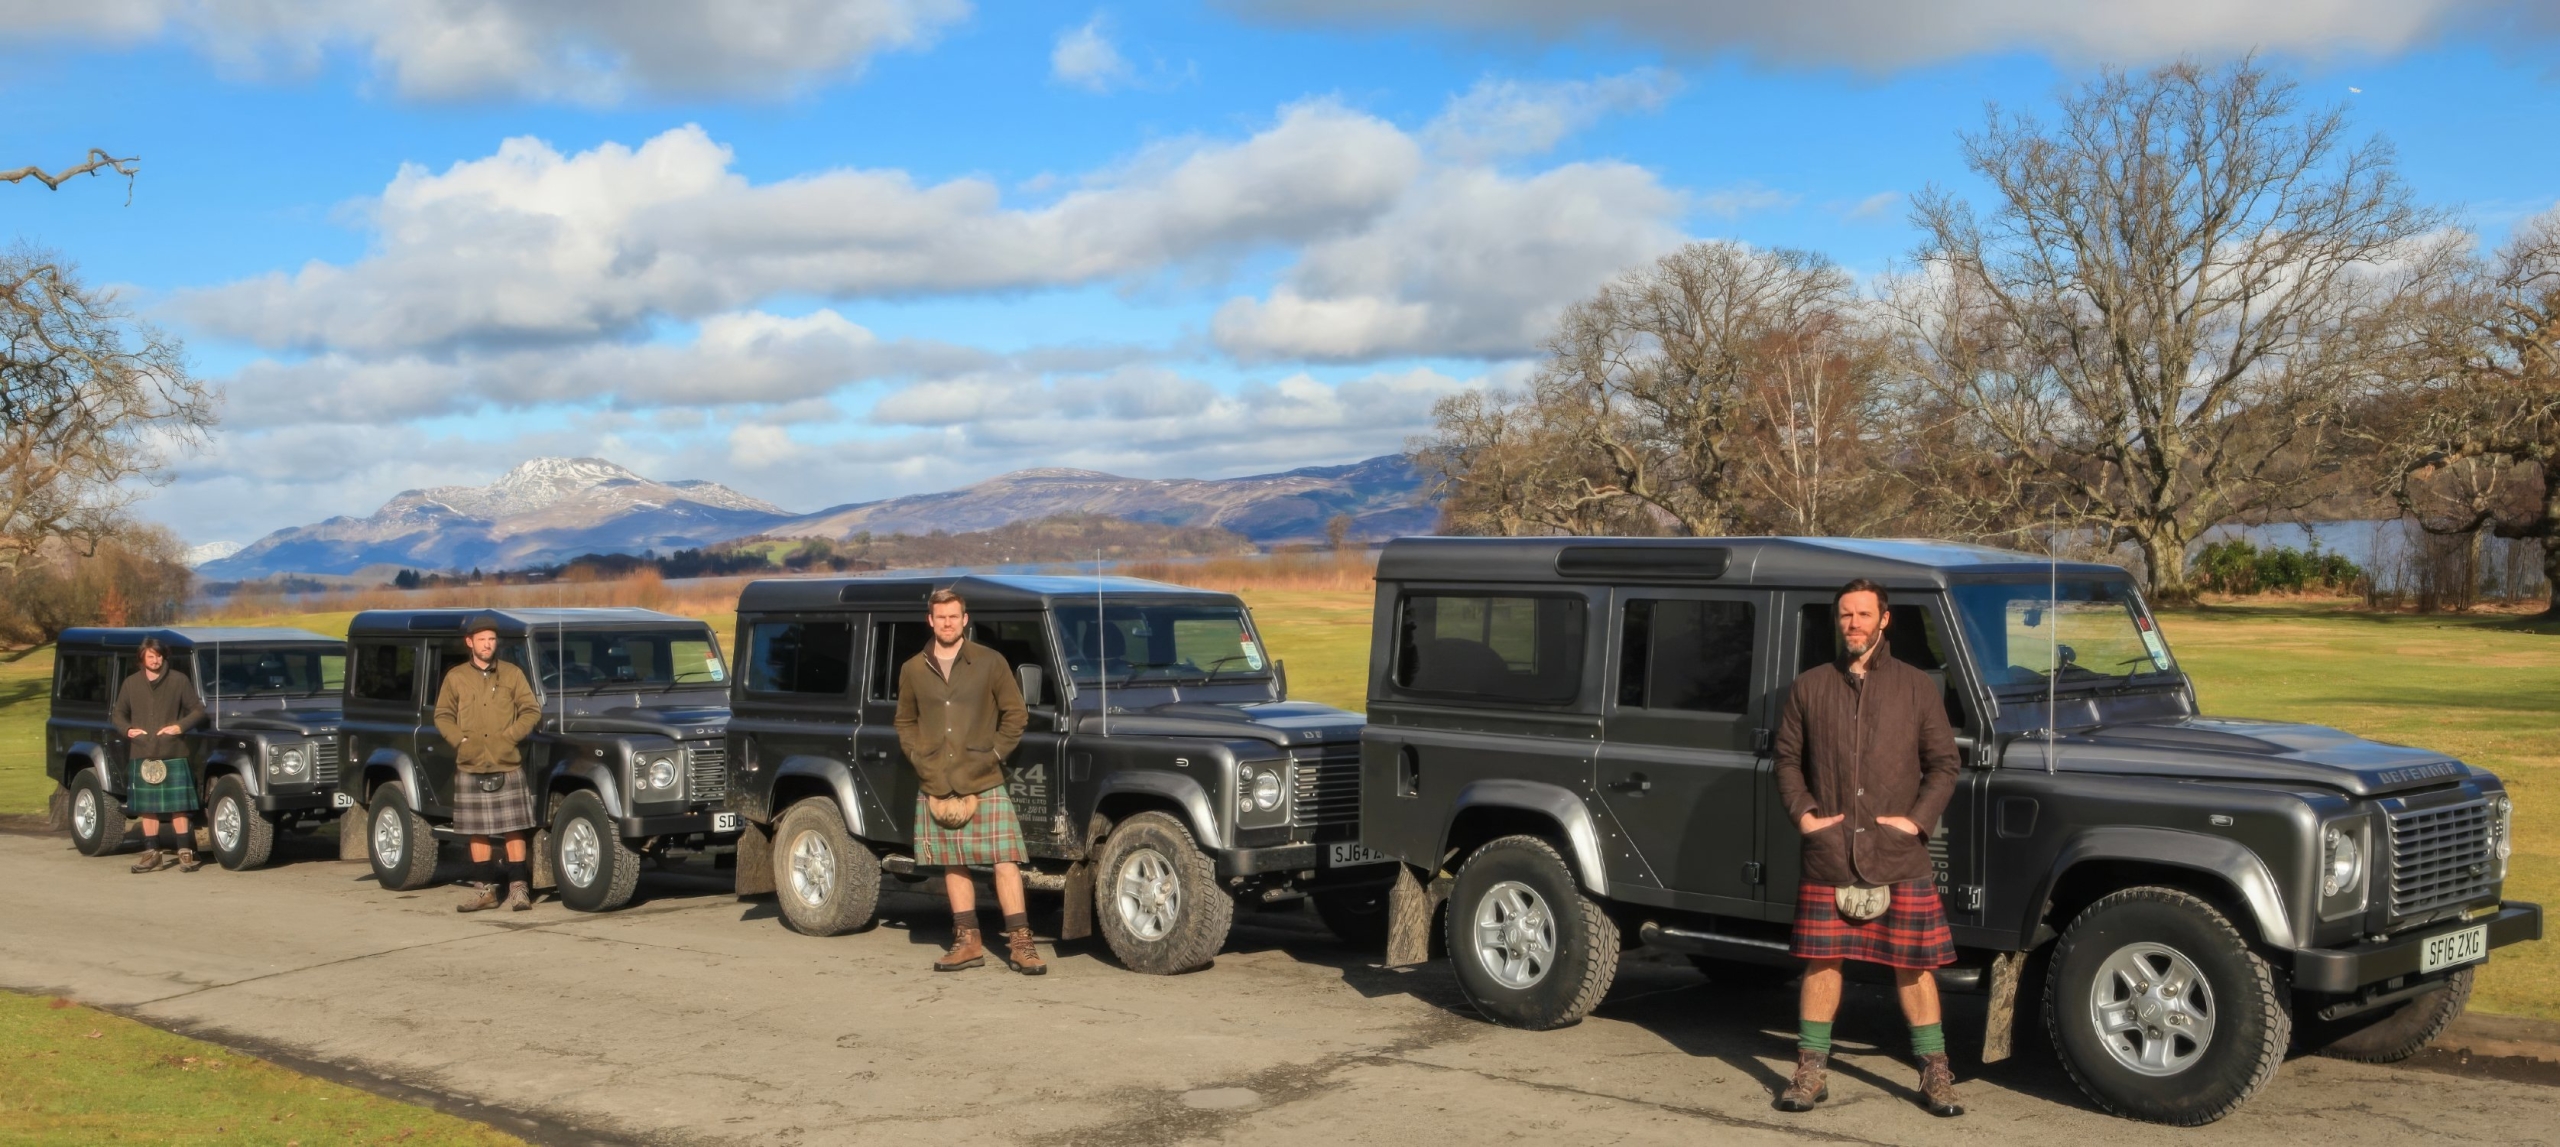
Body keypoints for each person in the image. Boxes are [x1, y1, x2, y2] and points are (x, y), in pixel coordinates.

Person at [1771, 578, 1965, 1117]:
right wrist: (1806, 816)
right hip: (1830, 851)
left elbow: (1945, 765)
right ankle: (1811, 1069)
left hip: (1898, 853)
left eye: (1862, 615)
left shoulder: (1915, 686)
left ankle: (1934, 1071)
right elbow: (1786, 760)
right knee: (1821, 961)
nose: (1852, 624)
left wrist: (1916, 823)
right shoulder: (1810, 686)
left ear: (1885, 620)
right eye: (1844, 616)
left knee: (1916, 966)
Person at [895, 588, 1042, 974]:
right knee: (952, 862)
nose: (947, 623)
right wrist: (917, 757)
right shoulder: (912, 668)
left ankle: (1021, 943)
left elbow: (1016, 715)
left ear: (965, 619)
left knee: (1005, 861)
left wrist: (992, 755)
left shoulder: (991, 662)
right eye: (940, 617)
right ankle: (967, 941)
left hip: (984, 777)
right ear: (931, 620)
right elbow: (904, 722)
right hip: (936, 779)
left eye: (953, 616)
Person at [434, 615, 543, 912]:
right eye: (482, 640)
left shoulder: (512, 674)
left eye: (492, 639)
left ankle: (519, 890)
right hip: (470, 763)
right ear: (469, 642)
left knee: (514, 828)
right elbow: (442, 714)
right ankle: (485, 892)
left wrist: (510, 737)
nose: (487, 644)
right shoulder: (456, 677)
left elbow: (531, 711)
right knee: (477, 831)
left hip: (507, 761)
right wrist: (460, 741)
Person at [114, 637, 208, 873]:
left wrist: (180, 727)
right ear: (142, 659)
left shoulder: (178, 680)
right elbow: (118, 714)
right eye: (150, 656)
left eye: (158, 656)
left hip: (173, 751)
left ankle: (185, 852)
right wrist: (127, 729)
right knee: (148, 808)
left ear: (164, 656)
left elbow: (198, 710)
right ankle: (151, 854)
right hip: (143, 751)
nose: (155, 660)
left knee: (179, 807)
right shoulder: (131, 683)